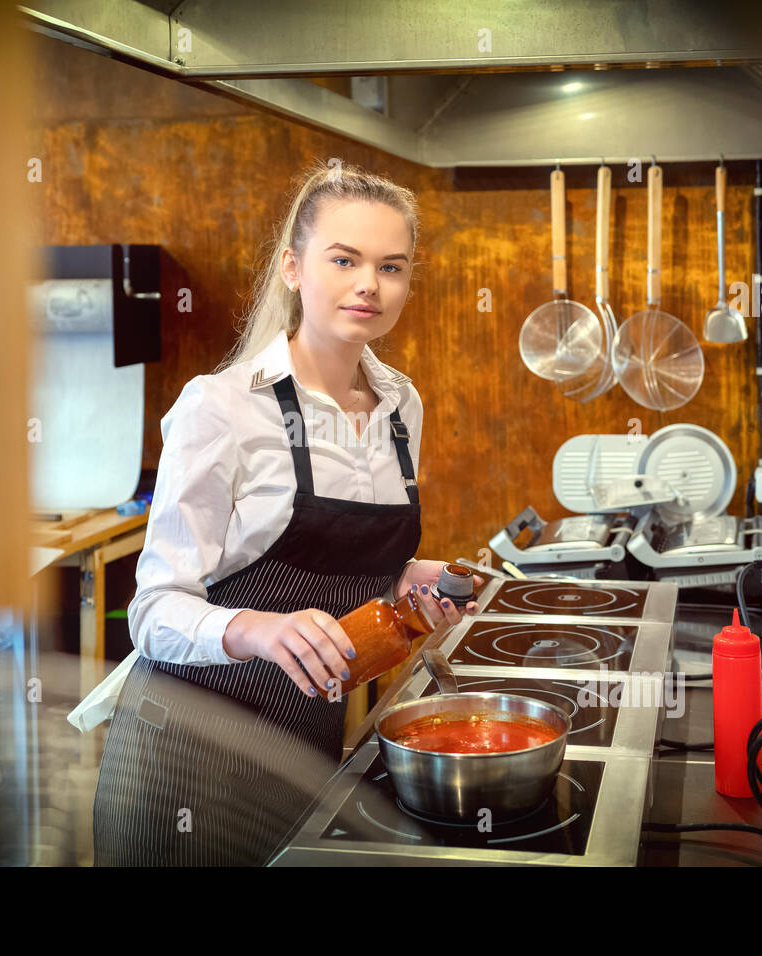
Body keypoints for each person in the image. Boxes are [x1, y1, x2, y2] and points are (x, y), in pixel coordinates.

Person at [91, 160, 483, 866]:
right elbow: (152, 614)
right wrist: (257, 631)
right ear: (293, 268)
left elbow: (339, 566)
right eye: (345, 259)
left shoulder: (402, 406)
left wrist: (405, 581)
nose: (369, 283)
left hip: (304, 741)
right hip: (188, 748)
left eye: (391, 267)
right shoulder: (222, 407)